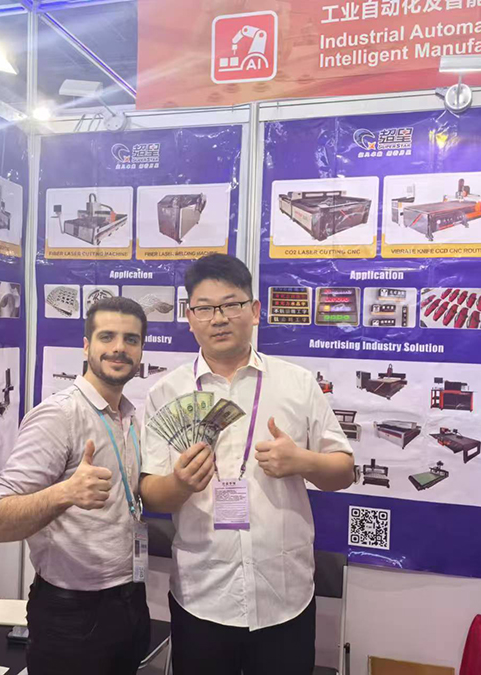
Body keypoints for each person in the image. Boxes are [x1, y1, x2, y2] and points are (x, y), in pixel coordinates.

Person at [140, 254, 355, 675]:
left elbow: (344, 472)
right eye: (205, 308)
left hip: (284, 596)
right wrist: (180, 483)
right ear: (190, 317)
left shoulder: (296, 383)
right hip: (202, 596)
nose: (219, 318)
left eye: (232, 304)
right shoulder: (166, 393)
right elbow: (150, 493)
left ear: (254, 311)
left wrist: (302, 461)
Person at [0, 296, 151, 675]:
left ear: (141, 350)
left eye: (131, 339)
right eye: (107, 336)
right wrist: (66, 493)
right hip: (73, 614)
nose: (119, 348)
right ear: (86, 346)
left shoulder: (129, 416)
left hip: (129, 599)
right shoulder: (59, 416)